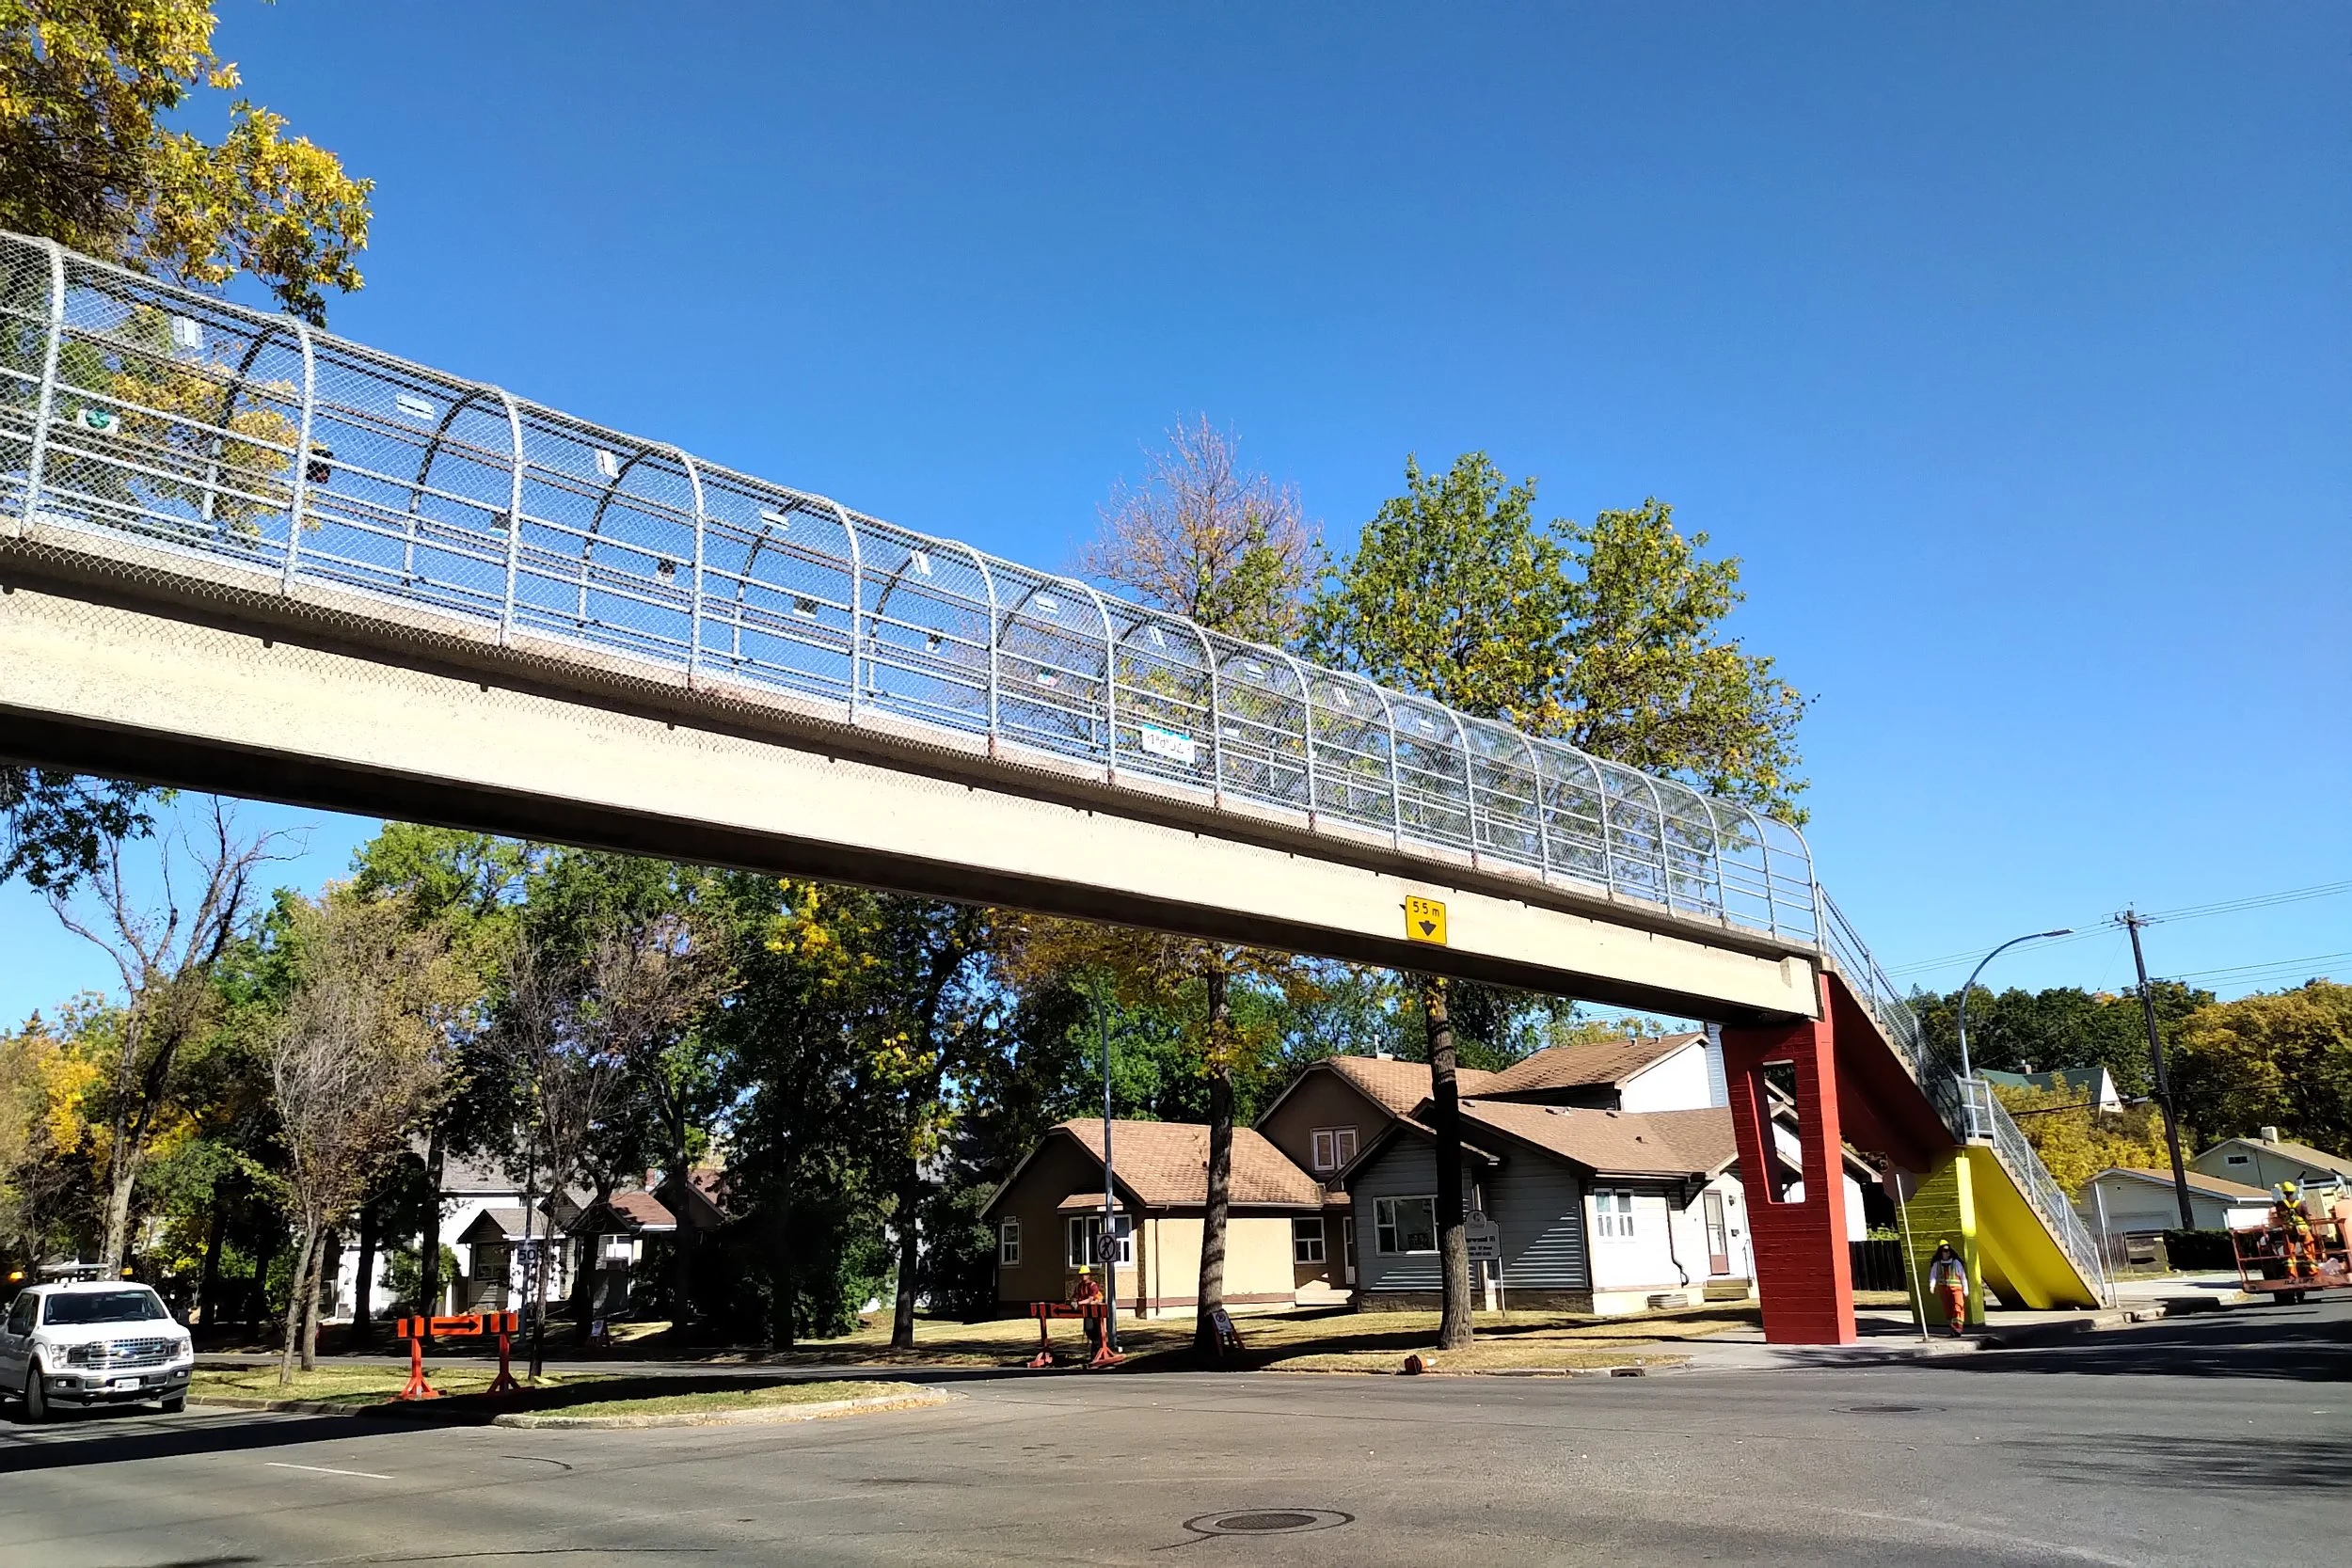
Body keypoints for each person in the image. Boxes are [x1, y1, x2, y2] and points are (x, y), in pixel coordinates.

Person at [2274, 1183, 2317, 1282]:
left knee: (2289, 1255)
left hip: (2289, 1231)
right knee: (2309, 1252)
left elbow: (2280, 1218)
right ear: (2293, 1191)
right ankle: (2313, 1274)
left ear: (2284, 1192)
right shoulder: (2301, 1204)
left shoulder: (2280, 1205)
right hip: (2303, 1229)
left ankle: (2291, 1276)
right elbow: (2306, 1217)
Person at [1926, 1241, 1969, 1336]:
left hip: (1956, 1288)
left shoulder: (1956, 1262)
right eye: (1945, 1250)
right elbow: (1933, 1276)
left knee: (1958, 1306)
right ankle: (1953, 1328)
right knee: (1948, 1310)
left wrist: (1966, 1289)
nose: (1948, 1252)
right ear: (1941, 1252)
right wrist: (1931, 1286)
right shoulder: (1937, 1264)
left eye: (1949, 1250)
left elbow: (1963, 1276)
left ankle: (1958, 1328)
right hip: (1944, 1289)